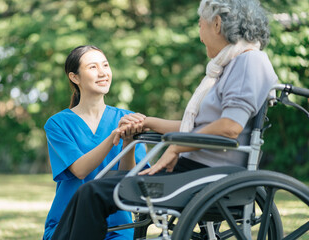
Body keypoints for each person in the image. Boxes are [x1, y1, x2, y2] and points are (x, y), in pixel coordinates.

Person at [50, 0, 278, 239]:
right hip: (196, 171)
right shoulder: (232, 65)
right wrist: (148, 122)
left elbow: (229, 128)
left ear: (217, 24)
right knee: (91, 190)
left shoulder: (249, 61)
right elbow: (201, 127)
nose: (200, 36)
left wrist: (176, 147)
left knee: (93, 192)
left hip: (206, 175)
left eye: (201, 25)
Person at [42, 45, 149, 240]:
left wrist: (128, 144)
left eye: (105, 65)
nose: (103, 73)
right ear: (74, 77)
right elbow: (80, 170)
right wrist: (112, 137)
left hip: (119, 225)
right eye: (93, 67)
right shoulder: (57, 124)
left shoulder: (128, 118)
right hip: (70, 223)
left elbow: (129, 179)